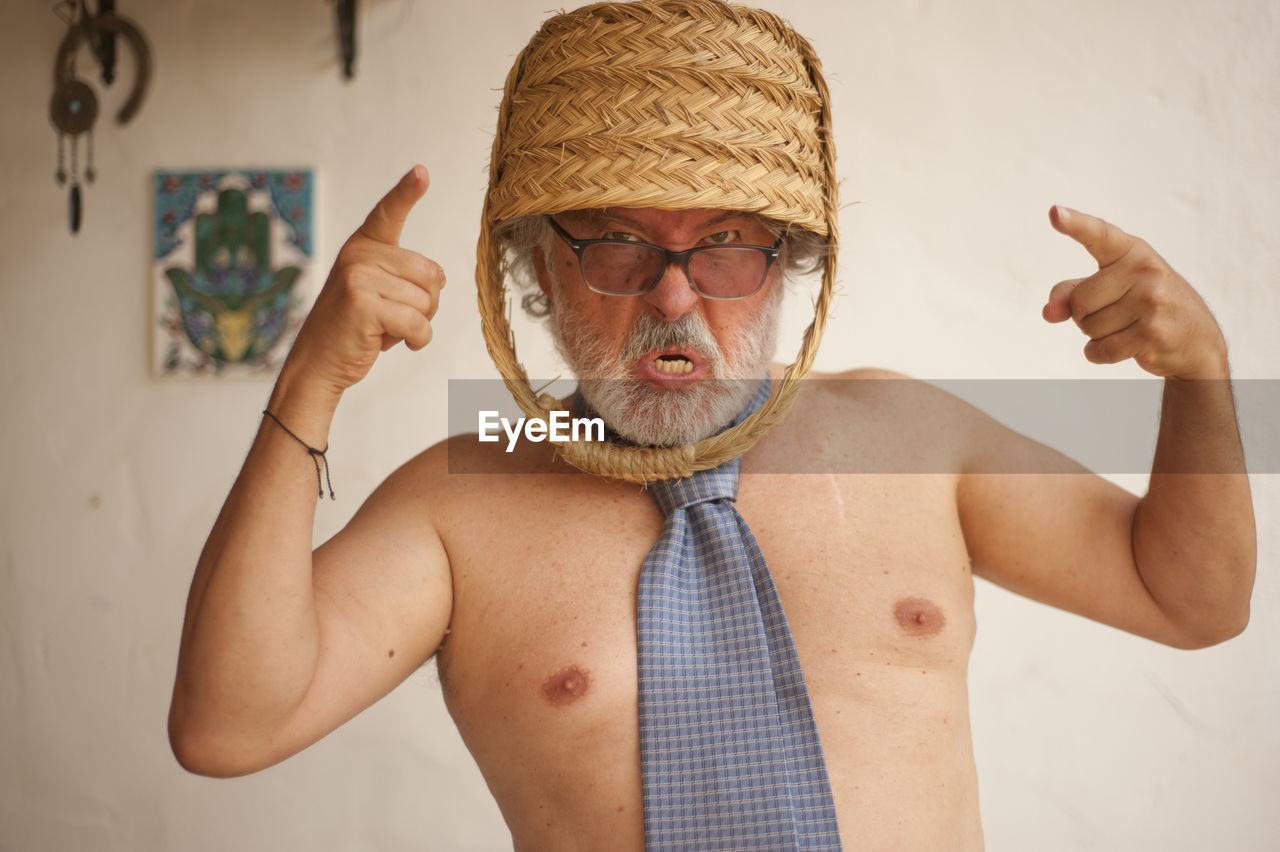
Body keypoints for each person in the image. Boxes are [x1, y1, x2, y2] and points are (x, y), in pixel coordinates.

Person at [168, 1, 1256, 849]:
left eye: (727, 241)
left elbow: (1189, 598)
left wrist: (1199, 376)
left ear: (791, 262)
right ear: (537, 266)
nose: (674, 299)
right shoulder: (467, 489)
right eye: (616, 244)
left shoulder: (908, 437)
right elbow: (228, 726)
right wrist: (307, 384)